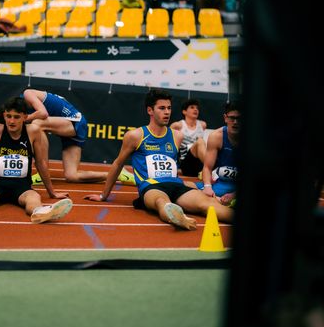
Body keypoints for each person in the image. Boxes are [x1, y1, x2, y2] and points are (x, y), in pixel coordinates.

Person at [85, 89, 234, 229]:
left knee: (207, 204)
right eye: (162, 108)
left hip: (175, 185)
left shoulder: (177, 136)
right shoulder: (135, 136)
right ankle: (178, 217)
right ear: (150, 110)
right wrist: (103, 195)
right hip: (151, 187)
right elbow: (118, 164)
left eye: (169, 108)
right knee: (161, 201)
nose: (167, 112)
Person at [22, 88, 135, 185]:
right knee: (72, 176)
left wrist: (25, 119)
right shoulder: (26, 109)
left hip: (75, 122)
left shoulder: (28, 94)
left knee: (37, 124)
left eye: (16, 116)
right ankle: (117, 174)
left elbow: (43, 113)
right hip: (69, 125)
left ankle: (42, 174)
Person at [195, 100, 240, 207]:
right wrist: (207, 187)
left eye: (239, 119)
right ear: (225, 118)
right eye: (232, 118)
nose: (235, 122)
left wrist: (234, 195)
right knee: (189, 190)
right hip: (223, 184)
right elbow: (207, 167)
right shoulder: (216, 136)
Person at [171, 98, 207, 177]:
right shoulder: (177, 125)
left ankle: (207, 169)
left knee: (202, 143)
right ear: (184, 111)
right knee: (200, 141)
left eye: (197, 108)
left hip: (198, 163)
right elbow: (170, 146)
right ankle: (210, 170)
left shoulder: (202, 125)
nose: (195, 110)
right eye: (192, 107)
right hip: (186, 163)